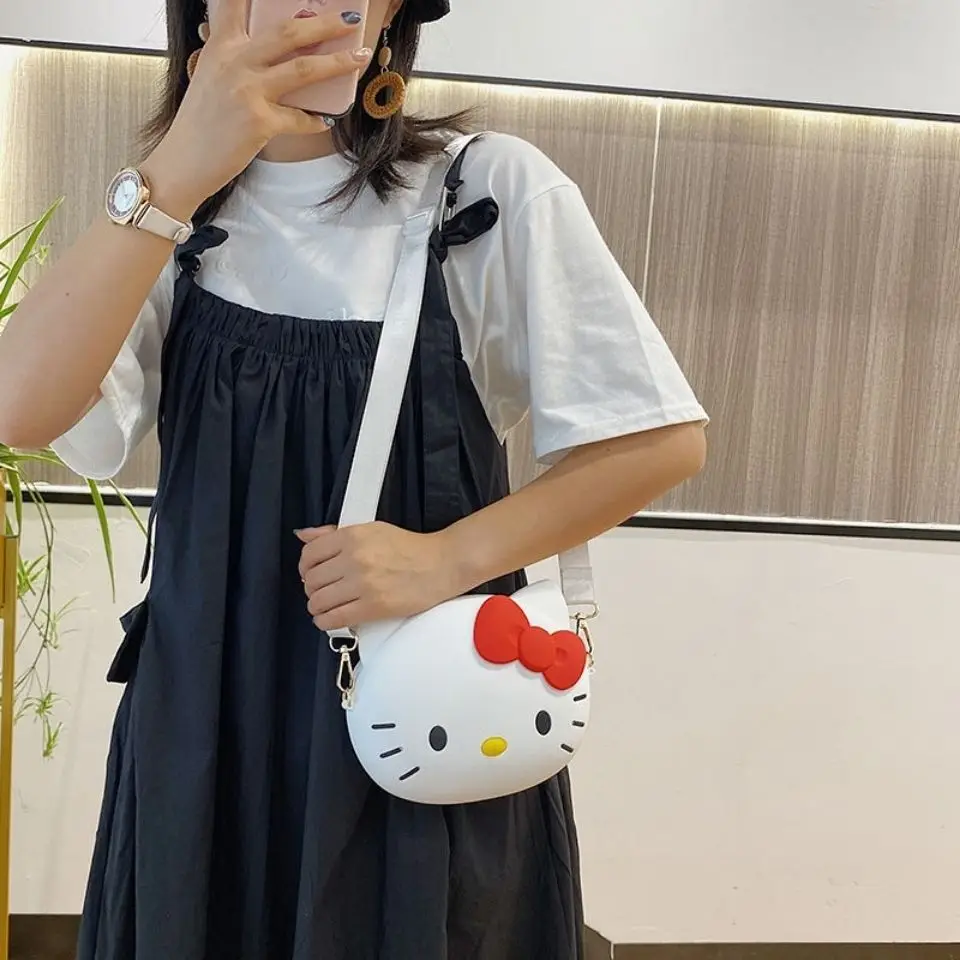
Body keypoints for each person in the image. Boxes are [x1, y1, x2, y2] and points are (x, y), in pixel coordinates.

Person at [0, 0, 708, 957]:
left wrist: (445, 559)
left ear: (388, 16)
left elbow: (658, 440)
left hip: (420, 718)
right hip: (207, 726)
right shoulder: (168, 218)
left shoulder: (482, 191)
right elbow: (21, 411)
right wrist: (171, 175)